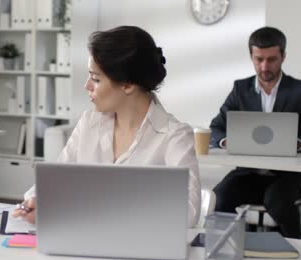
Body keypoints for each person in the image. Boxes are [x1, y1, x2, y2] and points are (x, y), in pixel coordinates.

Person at [13, 26, 201, 227]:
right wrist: (36, 202)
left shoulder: (174, 135)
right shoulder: (88, 123)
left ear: (127, 84)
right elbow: (54, 181)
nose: (87, 86)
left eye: (96, 78)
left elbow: (188, 213)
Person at [210, 27, 301, 238]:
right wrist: (226, 141)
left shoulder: (298, 91)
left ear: (283, 57)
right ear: (251, 56)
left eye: (272, 59)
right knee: (219, 198)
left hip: (288, 177)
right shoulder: (240, 89)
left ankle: (296, 251)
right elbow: (216, 127)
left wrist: (298, 143)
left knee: (276, 201)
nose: (264, 66)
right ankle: (226, 249)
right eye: (258, 59)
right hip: (249, 174)